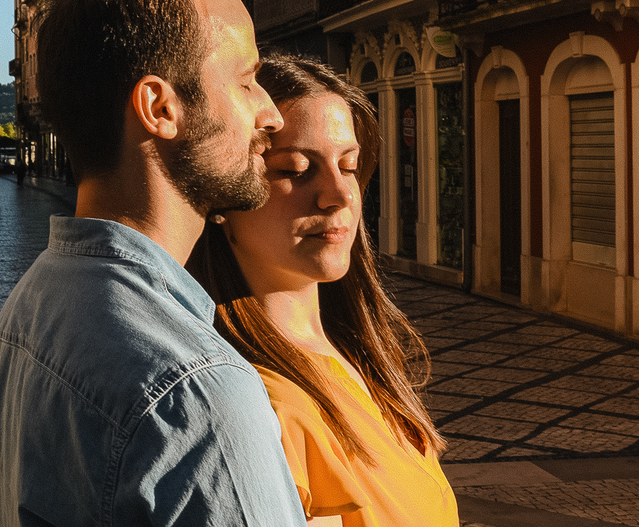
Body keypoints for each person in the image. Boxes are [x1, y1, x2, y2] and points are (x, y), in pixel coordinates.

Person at [0, 0, 307, 526]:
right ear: (159, 107)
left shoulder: (24, 313)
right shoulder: (199, 395)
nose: (272, 113)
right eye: (248, 80)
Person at [187, 55, 458, 527]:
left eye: (349, 165)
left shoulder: (357, 351)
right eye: (294, 168)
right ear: (224, 193)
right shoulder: (264, 408)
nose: (339, 194)